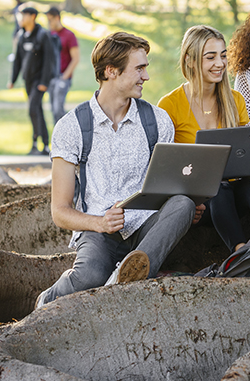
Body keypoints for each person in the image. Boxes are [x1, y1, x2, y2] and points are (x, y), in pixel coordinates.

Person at [36, 32, 198, 308]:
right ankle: (47, 300)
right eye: (139, 68)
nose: (146, 76)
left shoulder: (158, 121)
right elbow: (60, 211)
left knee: (183, 204)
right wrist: (99, 223)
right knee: (90, 274)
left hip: (146, 227)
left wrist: (186, 209)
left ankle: (131, 274)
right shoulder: (71, 126)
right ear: (111, 71)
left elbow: (170, 186)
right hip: (98, 229)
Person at [158, 25, 250, 251]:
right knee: (217, 187)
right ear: (190, 61)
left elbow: (246, 155)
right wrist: (187, 200)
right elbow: (164, 165)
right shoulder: (169, 105)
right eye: (210, 57)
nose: (220, 64)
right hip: (200, 202)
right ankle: (240, 251)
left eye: (223, 56)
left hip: (236, 193)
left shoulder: (236, 100)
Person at [8, 6, 56, 155]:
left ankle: (36, 142)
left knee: (33, 109)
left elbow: (49, 60)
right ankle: (45, 145)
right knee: (37, 110)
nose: (21, 19)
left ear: (33, 16)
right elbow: (17, 60)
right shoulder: (22, 36)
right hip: (27, 81)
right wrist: (13, 80)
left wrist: (44, 82)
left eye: (24, 16)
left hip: (39, 82)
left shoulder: (43, 35)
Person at [45, 6, 80, 125]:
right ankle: (58, 139)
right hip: (51, 77)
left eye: (50, 20)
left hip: (63, 77)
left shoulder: (69, 35)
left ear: (57, 18)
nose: (49, 23)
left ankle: (68, 133)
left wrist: (65, 76)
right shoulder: (49, 35)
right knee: (53, 110)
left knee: (58, 109)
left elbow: (76, 58)